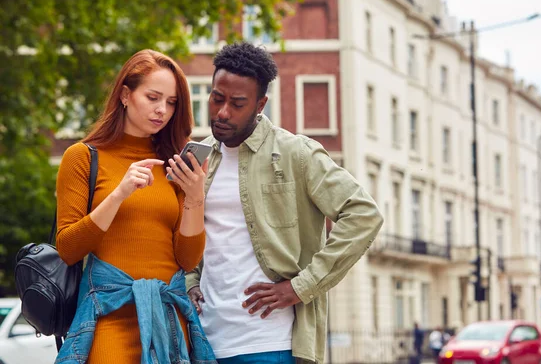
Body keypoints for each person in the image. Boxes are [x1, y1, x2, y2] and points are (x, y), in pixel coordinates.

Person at [185, 42, 383, 364]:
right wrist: (190, 281)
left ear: (261, 104)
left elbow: (363, 214)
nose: (222, 112)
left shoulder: (296, 153)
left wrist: (300, 287)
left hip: (267, 341)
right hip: (203, 340)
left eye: (237, 103)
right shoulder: (199, 157)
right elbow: (187, 234)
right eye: (216, 98)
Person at [54, 49, 215, 363]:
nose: (162, 110)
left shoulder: (174, 164)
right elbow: (68, 249)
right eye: (153, 97)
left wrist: (195, 196)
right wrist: (119, 193)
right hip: (108, 317)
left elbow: (187, 258)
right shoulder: (82, 157)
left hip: (168, 320)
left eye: (171, 102)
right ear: (125, 95)